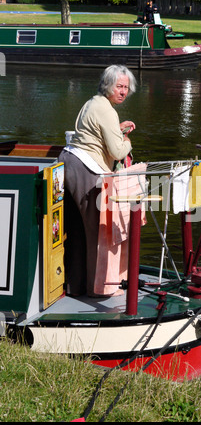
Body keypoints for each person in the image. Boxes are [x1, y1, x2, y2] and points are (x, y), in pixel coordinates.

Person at [58, 65, 136, 297]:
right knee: (97, 233)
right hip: (86, 170)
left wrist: (116, 131)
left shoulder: (92, 103)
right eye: (119, 86)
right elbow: (117, 152)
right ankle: (98, 290)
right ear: (108, 86)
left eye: (126, 87)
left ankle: (75, 285)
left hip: (69, 164)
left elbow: (93, 134)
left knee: (76, 231)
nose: (123, 91)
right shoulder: (108, 111)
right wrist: (128, 141)